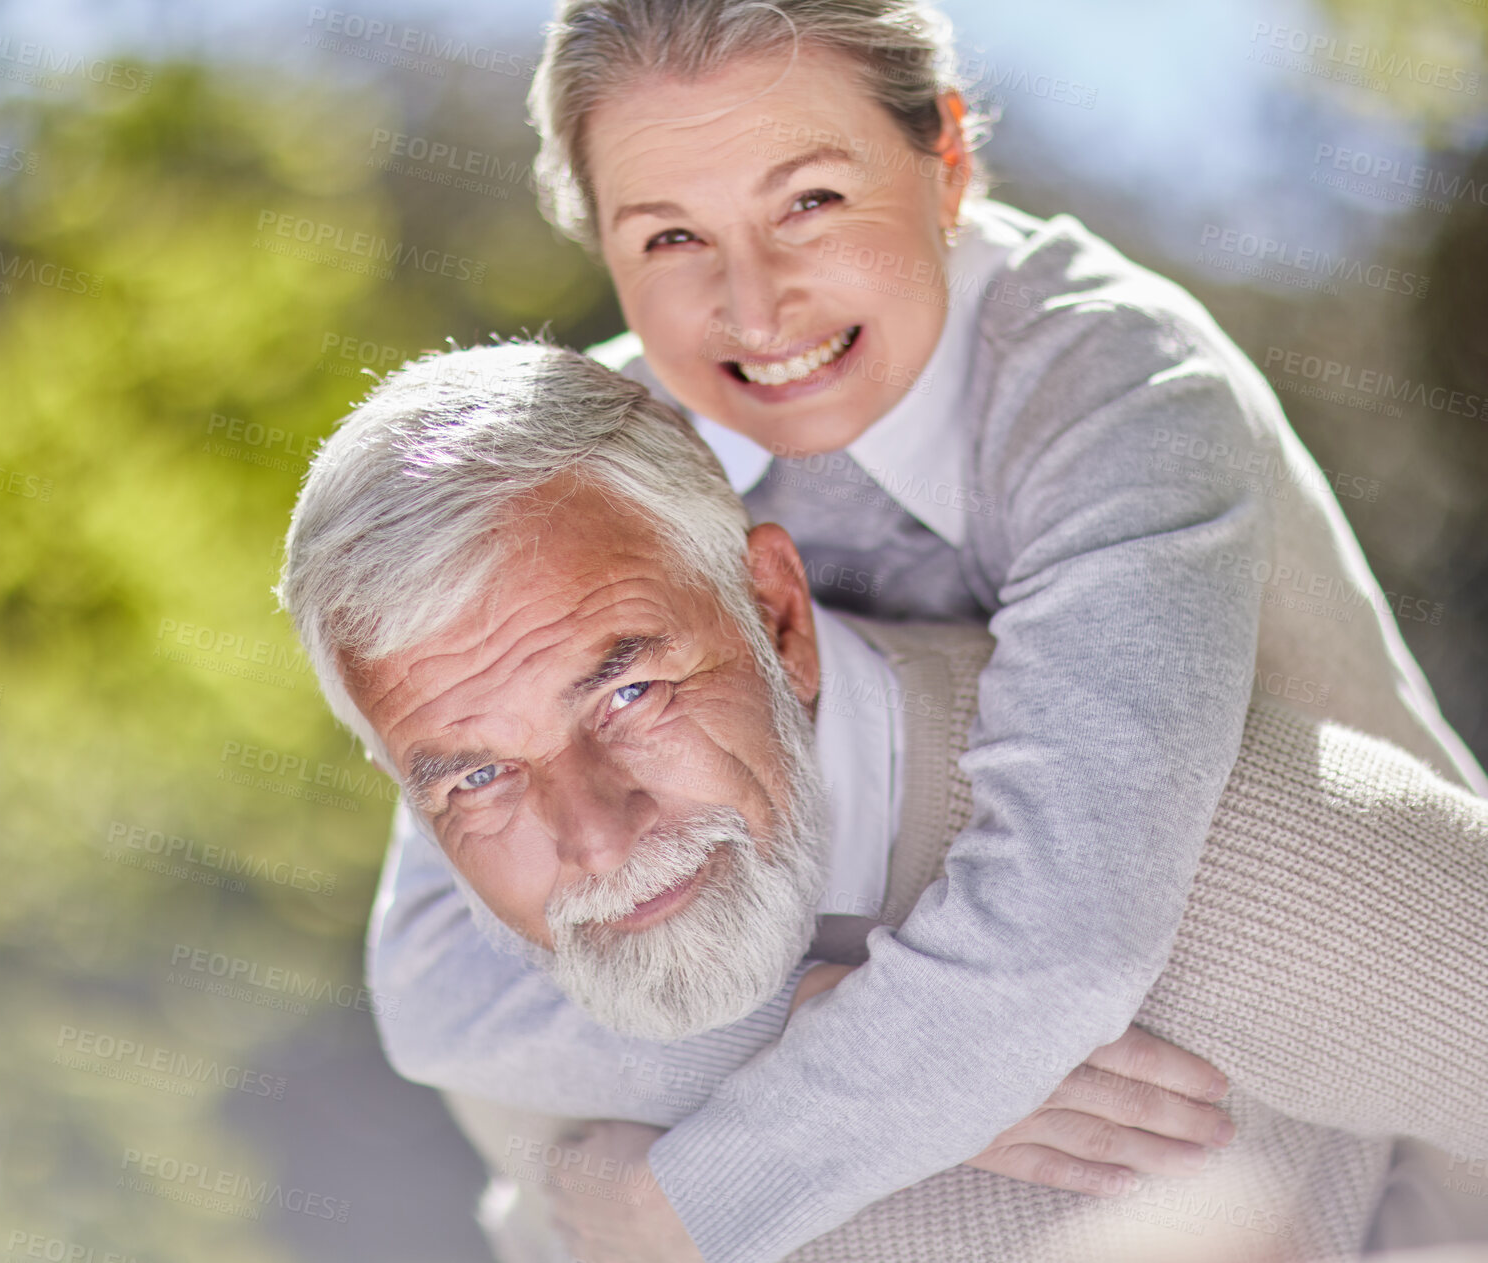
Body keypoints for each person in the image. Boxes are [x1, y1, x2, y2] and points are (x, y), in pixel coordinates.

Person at [370, 1, 1488, 1257]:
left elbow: (1064, 933)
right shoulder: (597, 474)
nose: (754, 307)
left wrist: (689, 1195)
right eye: (671, 234)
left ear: (945, 160)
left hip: (1402, 1122)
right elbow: (432, 980)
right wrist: (805, 1019)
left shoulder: (1117, 387)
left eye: (809, 203)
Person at [280, 344, 1488, 1263]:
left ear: (779, 619)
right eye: (476, 774)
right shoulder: (532, 968)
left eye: (629, 692)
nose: (594, 838)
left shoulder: (1230, 850)